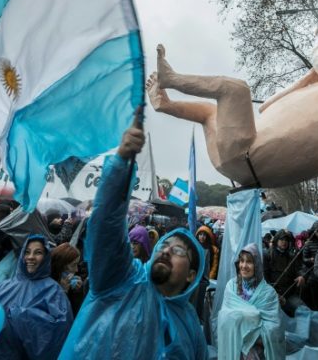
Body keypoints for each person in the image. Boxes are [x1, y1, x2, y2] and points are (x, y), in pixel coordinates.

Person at [59, 120, 208, 359]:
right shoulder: (121, 280)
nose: (167, 251)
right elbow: (106, 224)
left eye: (179, 252)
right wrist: (121, 165)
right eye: (164, 246)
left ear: (191, 275)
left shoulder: (191, 326)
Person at [0, 235, 73, 360]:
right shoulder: (1, 287)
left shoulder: (54, 292)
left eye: (38, 252)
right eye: (27, 252)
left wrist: (23, 317)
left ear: (45, 257)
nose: (31, 257)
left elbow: (58, 336)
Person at [218, 243, 285, 360]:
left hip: (259, 351)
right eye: (241, 261)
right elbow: (224, 318)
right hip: (234, 346)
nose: (243, 266)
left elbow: (275, 330)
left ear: (257, 265)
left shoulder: (269, 293)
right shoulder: (231, 287)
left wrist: (248, 333)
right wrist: (251, 318)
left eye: (249, 261)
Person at [263, 229, 302, 316]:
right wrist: (275, 295)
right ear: (276, 240)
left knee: (302, 310)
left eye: (286, 240)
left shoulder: (291, 256)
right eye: (281, 240)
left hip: (289, 294)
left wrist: (300, 276)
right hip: (273, 296)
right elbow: (265, 278)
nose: (284, 242)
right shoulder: (268, 255)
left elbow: (298, 270)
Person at [297, 221, 318, 310]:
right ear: (314, 231)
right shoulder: (309, 243)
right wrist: (310, 260)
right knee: (316, 300)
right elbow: (304, 259)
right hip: (312, 274)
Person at [50, 242, 86, 314]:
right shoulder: (49, 284)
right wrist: (63, 291)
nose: (76, 270)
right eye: (73, 265)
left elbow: (76, 313)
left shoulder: (71, 280)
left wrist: (78, 292)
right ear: (61, 266)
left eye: (77, 264)